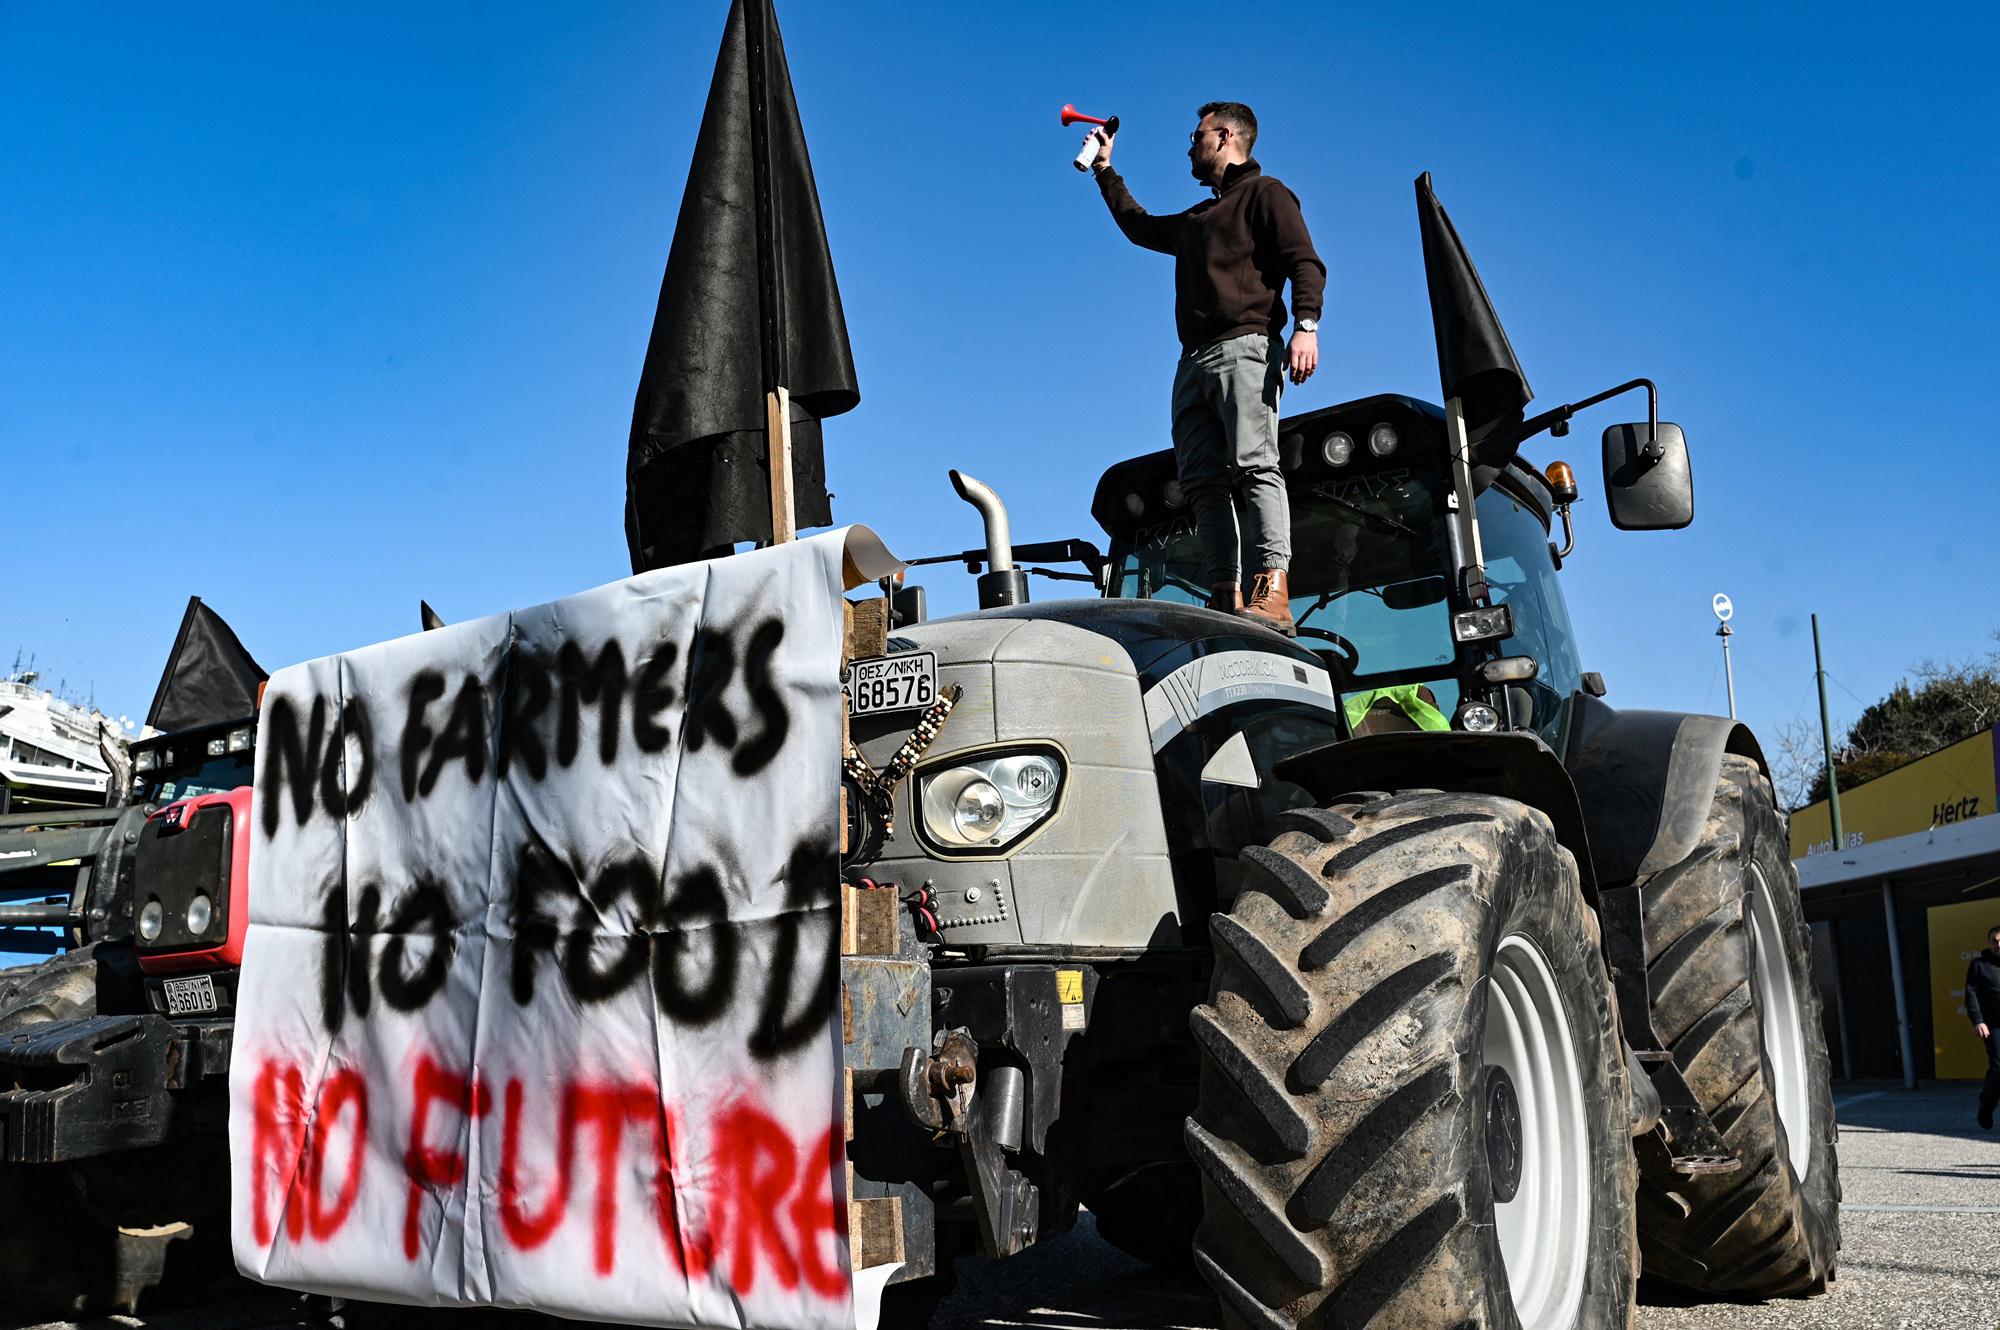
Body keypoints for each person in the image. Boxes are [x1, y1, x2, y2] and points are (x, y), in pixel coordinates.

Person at [1084, 102, 1325, 635]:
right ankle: (1225, 591)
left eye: (1196, 137)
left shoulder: (1266, 194)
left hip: (1246, 346)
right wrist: (1105, 169)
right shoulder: (1198, 219)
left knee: (1254, 463)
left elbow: (1304, 261)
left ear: (1225, 137)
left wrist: (1306, 326)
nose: (1189, 147)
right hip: (1191, 361)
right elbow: (1139, 226)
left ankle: (1272, 585)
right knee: (1200, 482)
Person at [1965, 924, 2000, 1129]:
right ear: (1989, 943)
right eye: (1994, 941)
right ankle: (1986, 1106)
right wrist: (1978, 1020)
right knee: (1998, 1069)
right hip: (1994, 1026)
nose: (1998, 944)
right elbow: (1971, 995)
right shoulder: (1979, 965)